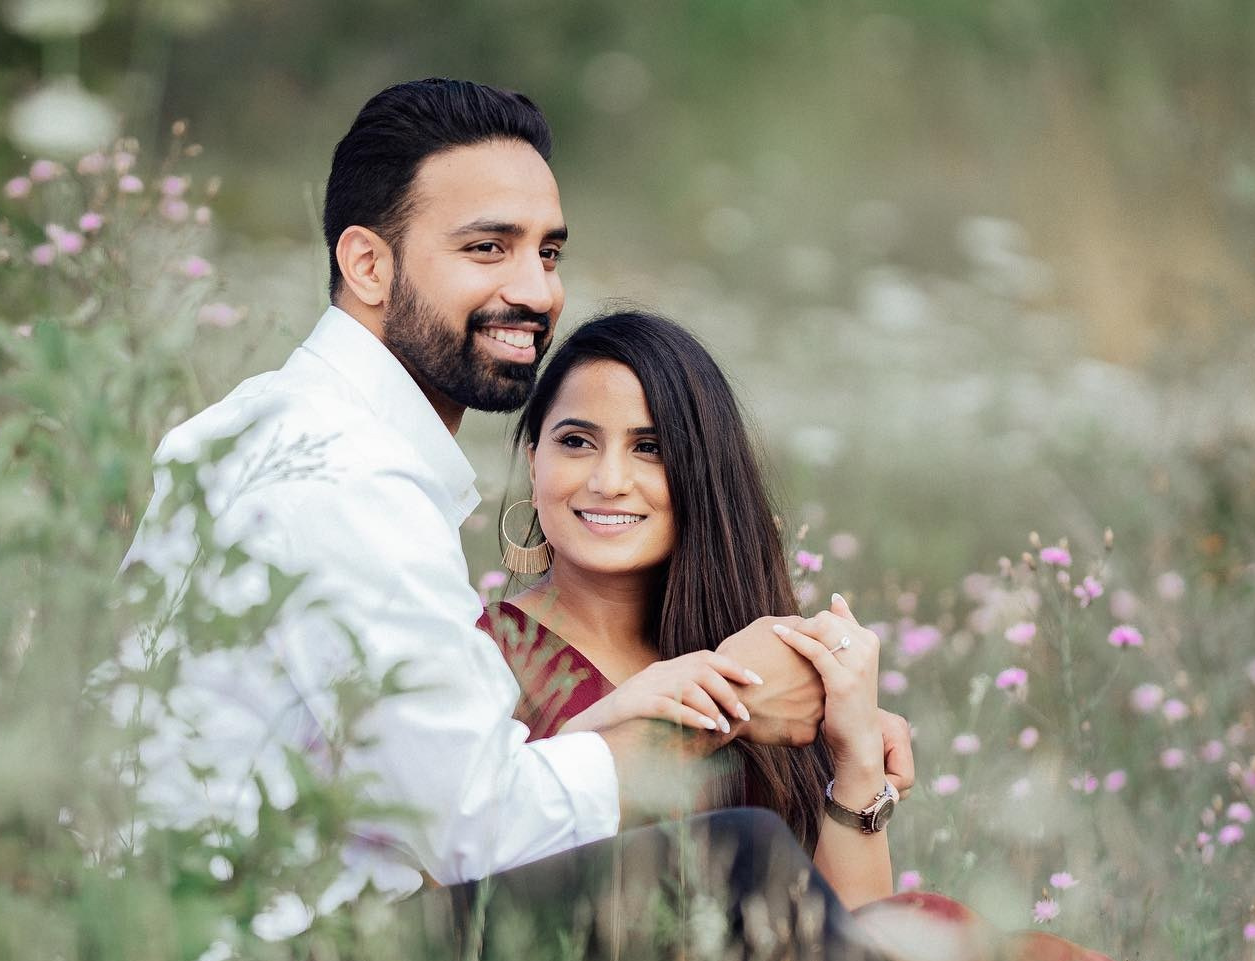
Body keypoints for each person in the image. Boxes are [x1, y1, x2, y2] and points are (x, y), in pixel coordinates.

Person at [117, 78, 905, 956]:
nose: (534, 291)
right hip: (287, 940)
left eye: (549, 252)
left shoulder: (282, 424)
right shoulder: (340, 474)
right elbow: (472, 825)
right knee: (739, 864)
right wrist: (716, 709)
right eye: (487, 247)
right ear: (367, 264)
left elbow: (435, 787)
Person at [478, 310, 1114, 960]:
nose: (609, 479)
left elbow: (857, 928)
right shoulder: (487, 657)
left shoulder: (759, 656)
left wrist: (855, 756)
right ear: (534, 461)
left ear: (701, 473)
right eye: (576, 441)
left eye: (650, 447)